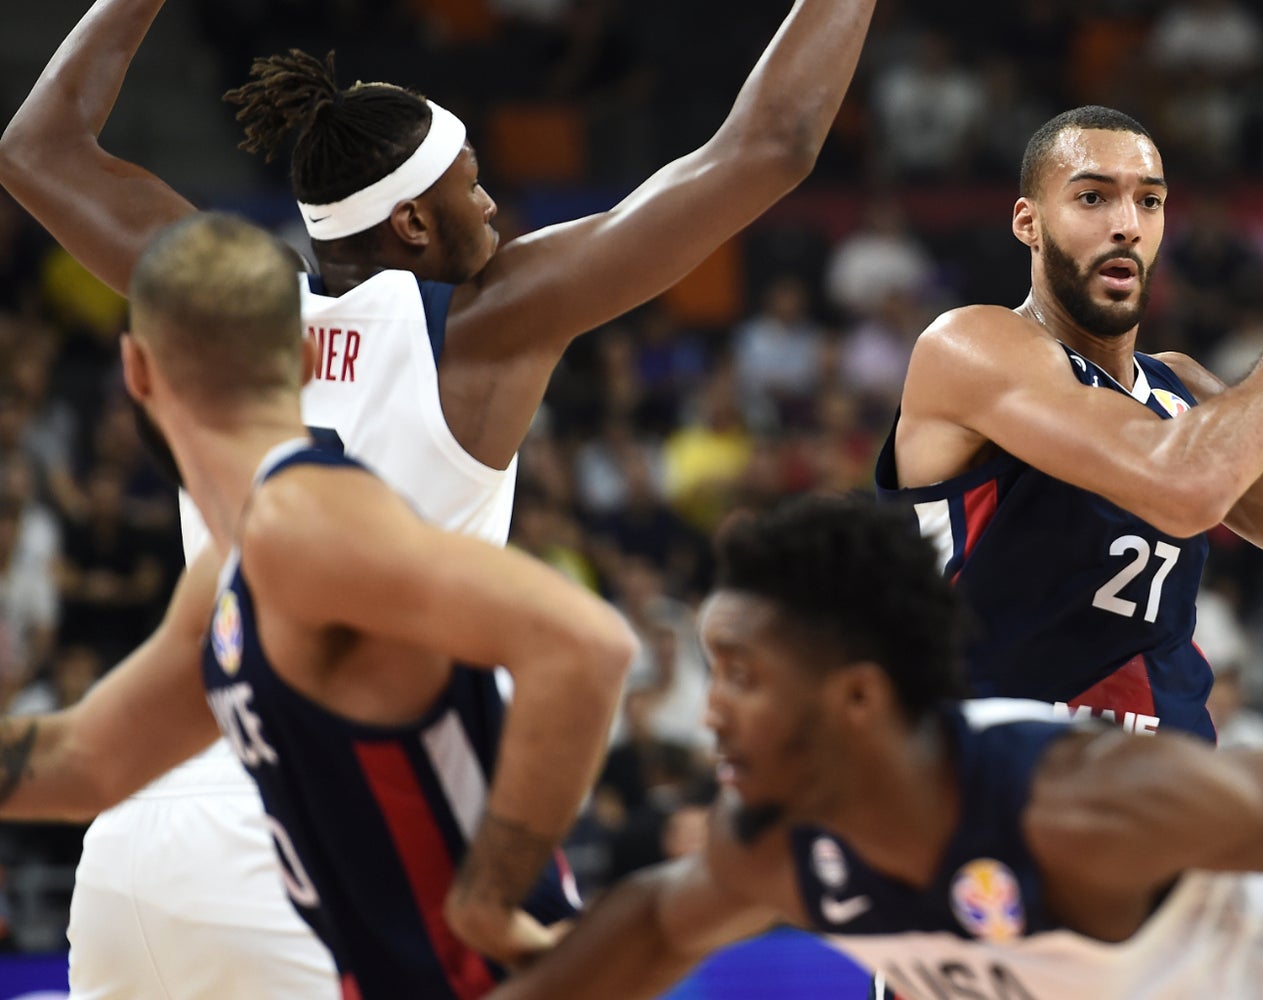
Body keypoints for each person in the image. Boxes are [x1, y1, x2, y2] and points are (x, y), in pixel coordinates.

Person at [0, 0, 875, 994]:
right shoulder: (484, 325)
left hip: (142, 820)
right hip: (329, 838)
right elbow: (769, 144)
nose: (494, 207)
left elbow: (37, 148)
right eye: (474, 188)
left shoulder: (220, 307)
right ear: (413, 222)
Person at [0, 214, 636, 995]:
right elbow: (88, 762)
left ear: (135, 370)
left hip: (428, 952)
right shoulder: (234, 564)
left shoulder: (309, 525)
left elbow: (587, 646)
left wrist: (491, 892)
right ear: (306, 359)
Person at [484, 494, 1263, 1000]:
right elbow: (650, 926)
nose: (709, 713)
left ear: (858, 698)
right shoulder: (782, 848)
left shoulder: (1078, 803)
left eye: (743, 678)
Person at [876, 105, 1263, 741]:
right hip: (997, 788)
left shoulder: (1187, 393)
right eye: (1093, 197)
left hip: (1163, 797)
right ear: (1028, 223)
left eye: (1149, 202)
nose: (1126, 225)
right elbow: (1184, 486)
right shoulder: (970, 345)